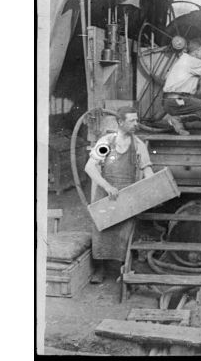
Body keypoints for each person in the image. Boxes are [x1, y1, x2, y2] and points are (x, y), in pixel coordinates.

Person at [84, 106, 155, 283]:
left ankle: (123, 267)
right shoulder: (107, 142)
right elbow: (90, 167)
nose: (135, 124)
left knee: (124, 231)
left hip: (126, 195)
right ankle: (99, 269)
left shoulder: (138, 145)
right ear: (120, 122)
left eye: (136, 120)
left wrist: (154, 186)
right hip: (106, 193)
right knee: (101, 231)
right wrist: (107, 187)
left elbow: (147, 170)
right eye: (131, 120)